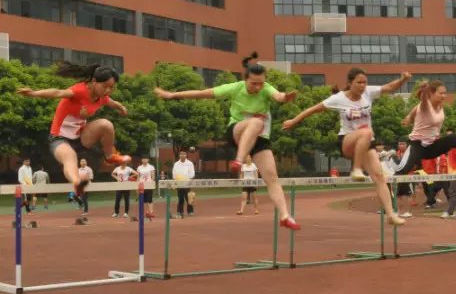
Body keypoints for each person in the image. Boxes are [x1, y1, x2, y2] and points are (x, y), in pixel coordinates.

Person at [156, 52, 300, 230]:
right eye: (253, 83)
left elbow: (278, 96)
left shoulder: (266, 88)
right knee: (256, 122)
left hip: (259, 139)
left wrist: (286, 97)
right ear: (245, 80)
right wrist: (172, 95)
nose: (258, 87)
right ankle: (239, 160)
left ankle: (285, 216)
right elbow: (202, 93)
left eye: (261, 83)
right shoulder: (234, 88)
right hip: (236, 132)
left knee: (272, 177)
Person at [284, 68, 411, 226]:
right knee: (366, 132)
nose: (362, 86)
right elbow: (314, 109)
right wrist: (294, 121)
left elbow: (389, 87)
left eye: (364, 82)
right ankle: (356, 169)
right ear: (350, 83)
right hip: (347, 141)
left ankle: (391, 214)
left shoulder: (368, 93)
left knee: (379, 176)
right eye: (359, 82)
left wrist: (403, 80)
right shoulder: (338, 98)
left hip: (366, 144)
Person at [17, 62, 131, 199]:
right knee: (70, 157)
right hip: (59, 139)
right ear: (94, 81)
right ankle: (77, 184)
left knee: (106, 125)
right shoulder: (79, 91)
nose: (108, 91)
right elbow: (58, 92)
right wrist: (34, 93)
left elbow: (113, 103)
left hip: (80, 138)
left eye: (111, 88)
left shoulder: (102, 97)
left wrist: (122, 108)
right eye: (105, 86)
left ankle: (109, 157)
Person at [394, 80, 456, 176]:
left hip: (432, 147)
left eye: (445, 93)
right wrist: (424, 92)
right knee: (401, 172)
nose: (444, 96)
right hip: (417, 146)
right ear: (431, 94)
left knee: (454, 138)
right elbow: (422, 102)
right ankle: (390, 177)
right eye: (441, 93)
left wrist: (409, 117)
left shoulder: (440, 105)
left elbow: (415, 108)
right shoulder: (425, 105)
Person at [171, 150, 195, 219]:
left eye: (184, 154)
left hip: (187, 182)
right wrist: (176, 180)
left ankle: (190, 211)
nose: (182, 155)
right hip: (179, 183)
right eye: (181, 154)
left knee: (188, 197)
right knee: (180, 198)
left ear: (186, 155)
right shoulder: (176, 164)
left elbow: (192, 173)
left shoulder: (190, 163)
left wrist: (188, 179)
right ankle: (180, 211)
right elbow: (174, 173)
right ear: (179, 155)